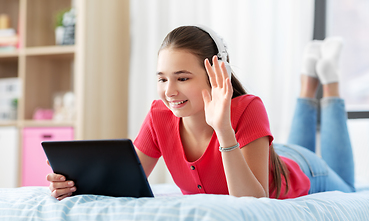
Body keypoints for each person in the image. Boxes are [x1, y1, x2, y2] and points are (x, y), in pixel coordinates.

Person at [47, 25, 355, 200]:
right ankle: (311, 79)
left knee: (352, 189)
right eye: (162, 79)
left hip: (302, 170)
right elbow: (124, 182)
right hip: (265, 150)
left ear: (216, 73)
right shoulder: (159, 116)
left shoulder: (247, 107)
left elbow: (254, 201)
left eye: (182, 78)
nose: (169, 91)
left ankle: (327, 84)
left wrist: (223, 129)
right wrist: (74, 186)